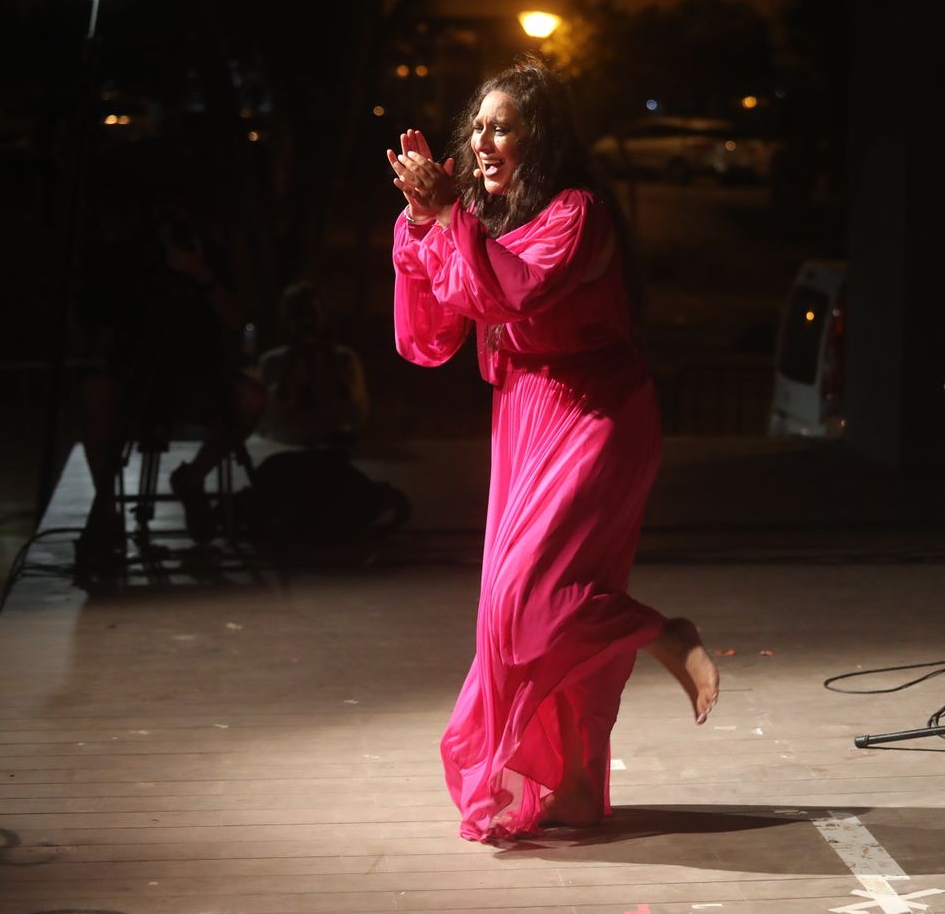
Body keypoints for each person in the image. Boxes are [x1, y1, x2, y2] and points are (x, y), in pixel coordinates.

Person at [386, 55, 718, 841]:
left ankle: (663, 634)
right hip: (523, 417)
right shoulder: (488, 220)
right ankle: (570, 789)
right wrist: (424, 223)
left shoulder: (577, 213)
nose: (482, 141)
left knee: (525, 603)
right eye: (476, 128)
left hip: (597, 413)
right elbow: (428, 336)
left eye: (502, 126)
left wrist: (452, 222)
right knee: (524, 614)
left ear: (541, 137)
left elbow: (513, 291)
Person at [77, 202, 266, 561]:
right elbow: (96, 323)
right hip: (135, 377)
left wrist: (200, 273)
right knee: (95, 392)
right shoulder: (124, 259)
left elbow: (236, 318)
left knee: (250, 398)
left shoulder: (207, 254)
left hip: (199, 377)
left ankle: (192, 479)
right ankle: (105, 508)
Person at [256, 281, 370, 447]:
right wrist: (288, 369)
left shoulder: (344, 359)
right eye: (299, 315)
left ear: (323, 316)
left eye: (311, 314)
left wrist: (333, 368)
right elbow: (268, 421)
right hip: (286, 448)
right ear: (287, 319)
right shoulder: (272, 363)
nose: (306, 322)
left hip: (330, 450)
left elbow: (358, 416)